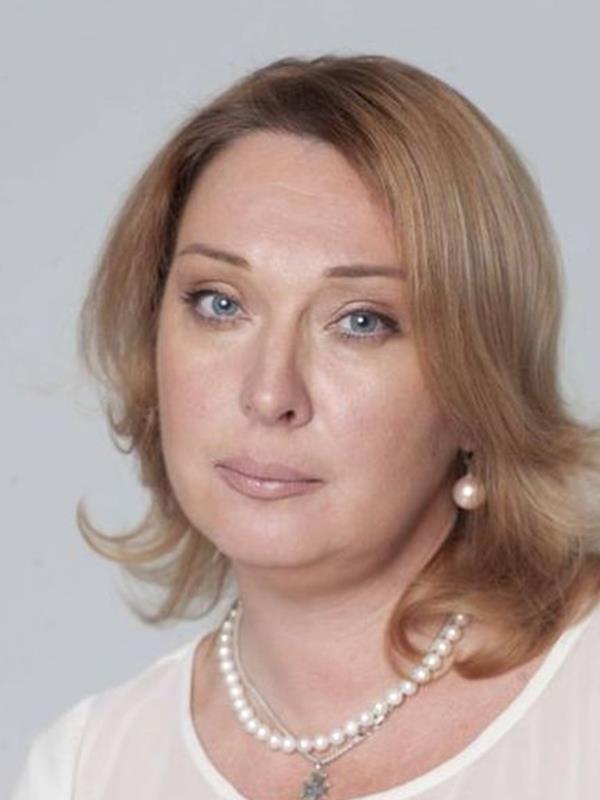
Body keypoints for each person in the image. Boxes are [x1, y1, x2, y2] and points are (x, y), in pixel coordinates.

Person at [11, 53, 600, 800]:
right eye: (221, 303)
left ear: (479, 384)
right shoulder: (84, 771)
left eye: (361, 321)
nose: (269, 394)